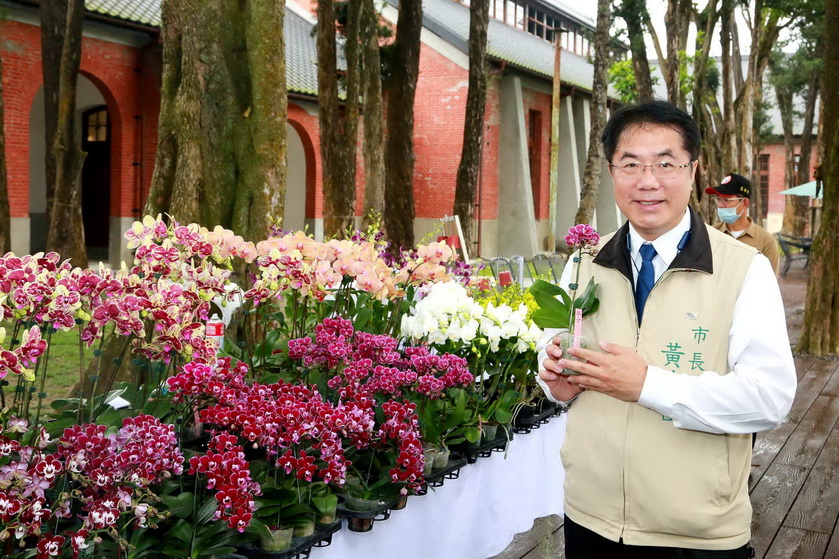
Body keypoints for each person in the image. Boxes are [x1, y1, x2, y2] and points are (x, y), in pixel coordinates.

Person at [538, 101, 796, 558]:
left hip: (694, 535)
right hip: (589, 518)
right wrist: (554, 378)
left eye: (665, 163)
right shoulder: (583, 263)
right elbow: (557, 350)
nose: (647, 181)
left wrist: (648, 385)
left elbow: (769, 398)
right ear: (612, 172)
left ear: (692, 170)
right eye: (630, 164)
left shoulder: (743, 269)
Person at [706, 173, 780, 274]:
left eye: (727, 200)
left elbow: (769, 281)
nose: (720, 205)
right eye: (718, 199)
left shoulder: (765, 242)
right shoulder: (710, 235)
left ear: (745, 202)